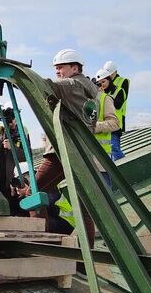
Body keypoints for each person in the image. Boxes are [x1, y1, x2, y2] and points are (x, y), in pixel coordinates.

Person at [16, 49, 98, 243]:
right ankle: (88, 254)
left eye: (61, 67)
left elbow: (43, 85)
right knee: (84, 207)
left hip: (61, 152)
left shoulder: (71, 85)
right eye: (56, 69)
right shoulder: (90, 91)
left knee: (32, 194)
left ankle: (43, 243)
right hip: (82, 152)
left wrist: (17, 74)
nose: (57, 72)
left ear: (75, 68)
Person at [0, 107, 30, 216]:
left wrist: (13, 148)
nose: (12, 122)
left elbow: (27, 156)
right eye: (9, 119)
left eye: (14, 118)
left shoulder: (22, 134)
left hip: (7, 182)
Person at [100, 61, 129, 161]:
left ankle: (124, 168)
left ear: (115, 72)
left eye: (111, 74)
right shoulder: (102, 84)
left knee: (114, 148)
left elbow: (119, 103)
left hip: (116, 120)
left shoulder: (123, 82)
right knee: (106, 150)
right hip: (104, 121)